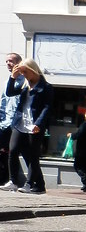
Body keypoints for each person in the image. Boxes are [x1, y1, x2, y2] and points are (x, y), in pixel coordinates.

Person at [2, 58, 53, 194]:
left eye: (25, 72)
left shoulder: (46, 87)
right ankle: (13, 181)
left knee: (32, 155)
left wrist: (38, 124)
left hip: (34, 126)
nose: (23, 74)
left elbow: (47, 108)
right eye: (22, 72)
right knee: (13, 150)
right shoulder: (25, 85)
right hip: (20, 123)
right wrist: (13, 78)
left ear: (32, 70)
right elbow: (10, 92)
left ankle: (30, 184)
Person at [0, 52, 23, 187]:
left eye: (11, 61)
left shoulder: (24, 81)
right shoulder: (6, 83)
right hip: (5, 123)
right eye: (7, 61)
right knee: (5, 153)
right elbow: (3, 103)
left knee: (18, 152)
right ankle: (6, 179)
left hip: (18, 124)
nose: (8, 63)